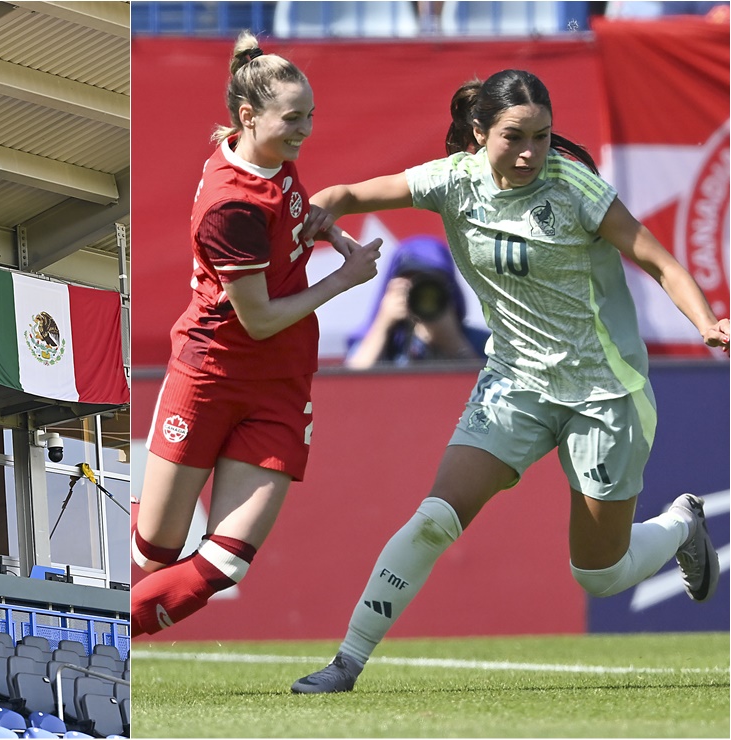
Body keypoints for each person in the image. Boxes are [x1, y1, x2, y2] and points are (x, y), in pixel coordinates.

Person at [291, 68, 728, 693]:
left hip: (605, 391)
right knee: (434, 518)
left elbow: (657, 259)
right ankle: (346, 663)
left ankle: (683, 524)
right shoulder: (452, 182)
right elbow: (348, 195)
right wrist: (321, 209)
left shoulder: (574, 187)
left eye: (543, 137)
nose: (529, 153)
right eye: (513, 137)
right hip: (514, 383)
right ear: (478, 133)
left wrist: (708, 322)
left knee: (597, 575)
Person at [130, 31, 382, 637]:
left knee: (226, 562)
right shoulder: (230, 204)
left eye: (310, 117)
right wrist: (345, 278)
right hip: (210, 372)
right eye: (294, 118)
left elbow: (285, 223)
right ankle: (104, 636)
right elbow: (259, 317)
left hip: (279, 384)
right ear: (248, 116)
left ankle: (109, 640)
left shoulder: (271, 160)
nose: (305, 131)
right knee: (153, 552)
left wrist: (313, 222)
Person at [344, 234, 489, 368]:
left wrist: (454, 342)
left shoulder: (484, 343)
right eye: (411, 280)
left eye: (430, 283)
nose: (421, 292)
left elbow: (489, 387)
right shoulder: (386, 340)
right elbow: (352, 384)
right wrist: (383, 325)